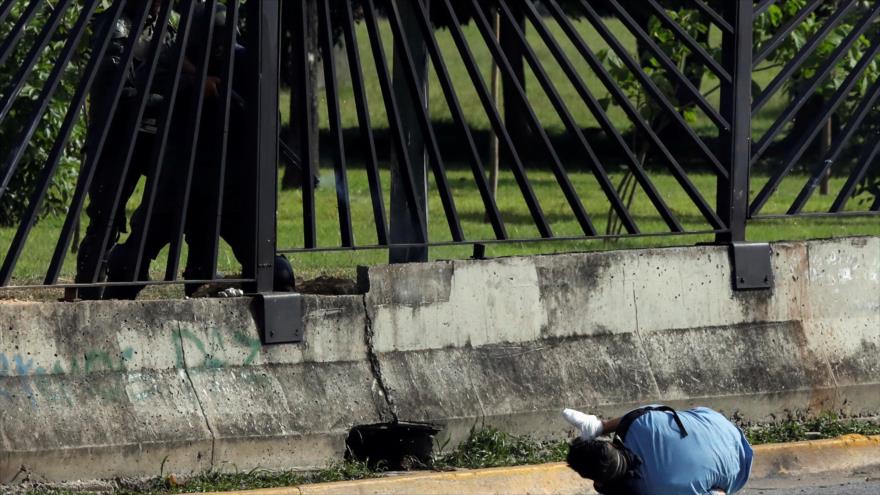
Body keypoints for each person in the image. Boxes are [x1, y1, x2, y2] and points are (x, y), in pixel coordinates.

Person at [563, 405, 753, 495]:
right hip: (717, 423)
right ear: (610, 444)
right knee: (649, 416)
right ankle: (600, 426)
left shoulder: (651, 490)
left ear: (599, 481)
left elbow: (718, 493)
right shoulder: (636, 425)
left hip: (739, 468)